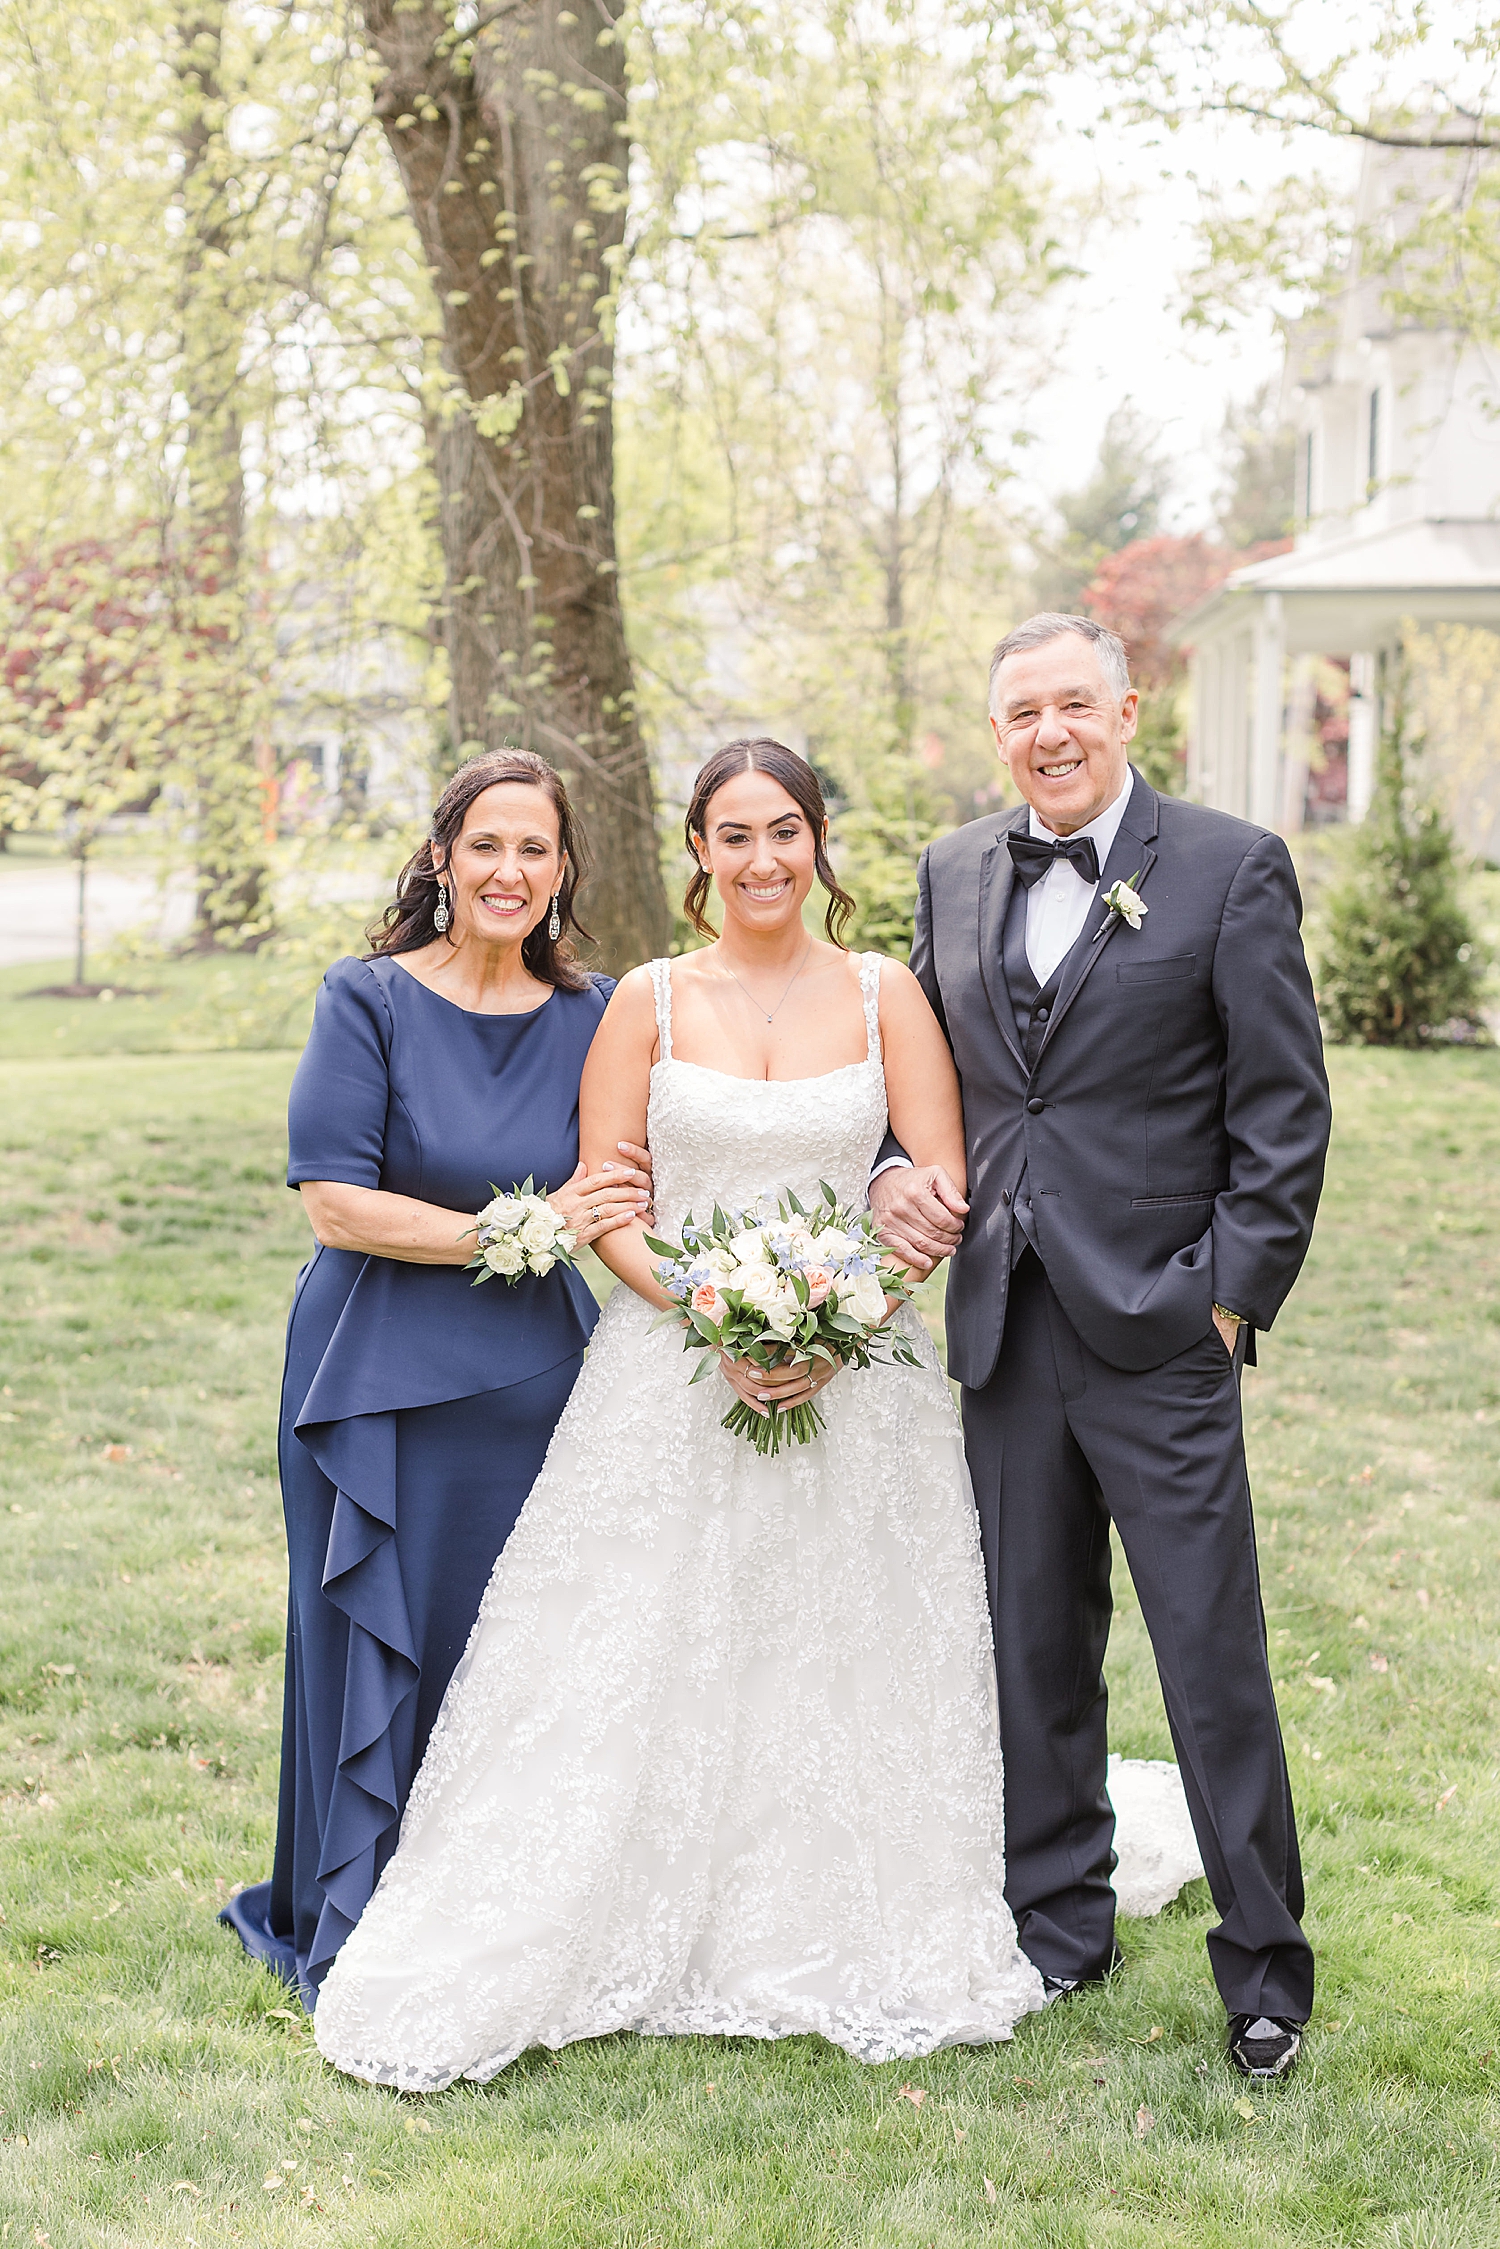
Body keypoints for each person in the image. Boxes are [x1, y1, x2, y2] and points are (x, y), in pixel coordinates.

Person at [310, 738, 1053, 2091]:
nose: (762, 859)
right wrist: (718, 1315)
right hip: (671, 1369)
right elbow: (611, 1202)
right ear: (698, 851)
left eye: (786, 832)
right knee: (639, 1646)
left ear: (820, 842)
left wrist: (836, 1328)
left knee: (840, 1652)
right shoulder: (644, 1001)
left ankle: (842, 1911)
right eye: (734, 835)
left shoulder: (890, 996)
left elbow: (935, 1190)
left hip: (856, 1386)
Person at [870, 614, 1332, 2083]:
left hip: (1161, 1329)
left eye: (1076, 703)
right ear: (995, 732)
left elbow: (1284, 1111)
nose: (1051, 732)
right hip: (1005, 1324)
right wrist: (895, 1164)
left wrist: (1228, 1297)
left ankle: (1264, 1970)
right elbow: (932, 1077)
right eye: (1022, 713)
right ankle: (1059, 1928)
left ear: (1129, 709)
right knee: (1032, 1648)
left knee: (1210, 1655)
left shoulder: (1231, 866)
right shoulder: (950, 871)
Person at [219, 749, 652, 2008]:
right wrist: (519, 1231)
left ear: (565, 870)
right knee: (367, 1635)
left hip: (532, 1383)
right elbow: (336, 1204)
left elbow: (643, 1173)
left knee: (514, 1645)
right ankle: (355, 1903)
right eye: (487, 846)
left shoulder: (598, 1012)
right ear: (442, 859)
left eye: (536, 849)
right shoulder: (368, 999)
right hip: (372, 1382)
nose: (510, 871)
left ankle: (502, 1914)